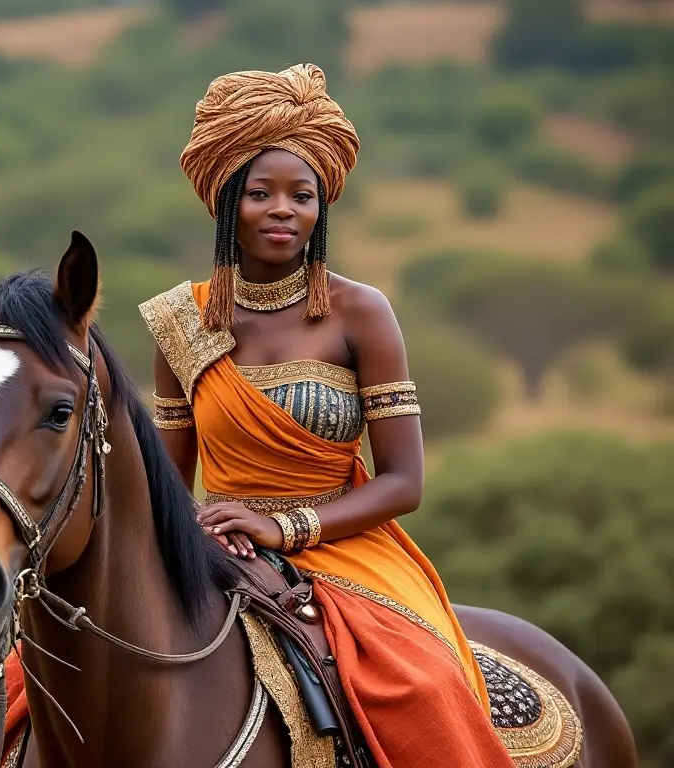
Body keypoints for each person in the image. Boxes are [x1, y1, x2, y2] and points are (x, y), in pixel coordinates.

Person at [137, 63, 516, 767]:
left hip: (344, 549)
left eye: (302, 195)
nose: (283, 209)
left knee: (425, 688)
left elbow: (404, 483)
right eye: (260, 193)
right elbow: (167, 482)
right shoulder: (179, 324)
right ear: (227, 203)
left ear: (322, 207)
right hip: (223, 552)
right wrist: (206, 533)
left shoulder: (360, 313)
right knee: (36, 680)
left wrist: (283, 527)